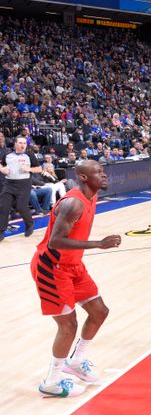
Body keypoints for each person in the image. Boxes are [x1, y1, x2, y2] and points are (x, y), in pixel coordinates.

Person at [31, 160, 121, 397]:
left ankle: (75, 361)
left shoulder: (91, 196)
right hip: (52, 267)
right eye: (98, 172)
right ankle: (51, 382)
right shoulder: (73, 203)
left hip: (73, 265)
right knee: (68, 325)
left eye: (103, 171)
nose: (104, 175)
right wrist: (98, 244)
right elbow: (55, 241)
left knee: (100, 311)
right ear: (82, 177)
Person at [0, 136, 42, 241]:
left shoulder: (30, 155)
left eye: (24, 143)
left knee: (21, 207)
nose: (22, 145)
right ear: (15, 144)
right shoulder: (8, 155)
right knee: (3, 207)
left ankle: (29, 224)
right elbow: (1, 164)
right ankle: (1, 231)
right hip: (9, 184)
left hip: (24, 184)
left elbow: (39, 169)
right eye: (20, 143)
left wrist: (29, 169)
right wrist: (2, 170)